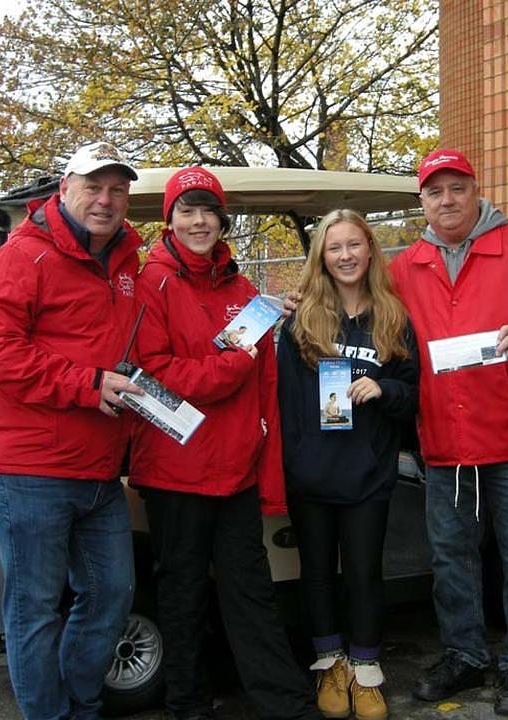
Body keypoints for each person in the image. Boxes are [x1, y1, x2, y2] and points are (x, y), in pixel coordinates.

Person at [127, 167, 322, 720]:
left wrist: (265, 448)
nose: (198, 221)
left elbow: (263, 385)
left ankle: (283, 702)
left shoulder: (243, 291)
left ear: (222, 219)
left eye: (207, 211)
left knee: (251, 591)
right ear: (170, 220)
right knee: (183, 591)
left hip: (235, 468)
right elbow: (154, 373)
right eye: (186, 211)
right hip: (174, 470)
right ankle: (187, 703)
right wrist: (231, 367)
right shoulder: (151, 283)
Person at [392, 149, 508, 716]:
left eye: (457, 188)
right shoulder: (406, 266)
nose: (446, 200)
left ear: (476, 191)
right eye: (434, 192)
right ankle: (465, 655)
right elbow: (364, 313)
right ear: (421, 201)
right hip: (445, 441)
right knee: (452, 556)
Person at [0, 141, 144, 720]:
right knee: (34, 608)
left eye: (117, 189)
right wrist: (88, 383)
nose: (106, 199)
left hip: (97, 469)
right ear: (65, 188)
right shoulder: (23, 256)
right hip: (26, 470)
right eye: (94, 186)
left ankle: (80, 704)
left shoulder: (124, 263)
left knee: (112, 593)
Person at [277, 210, 419, 720]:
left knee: (363, 573)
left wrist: (384, 388)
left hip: (367, 473)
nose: (345, 256)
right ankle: (330, 663)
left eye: (354, 245)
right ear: (321, 257)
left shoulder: (392, 316)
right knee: (316, 572)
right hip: (311, 473)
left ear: (369, 251)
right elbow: (287, 403)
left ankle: (365, 670)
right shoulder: (300, 319)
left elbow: (412, 392)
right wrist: (294, 463)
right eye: (334, 247)